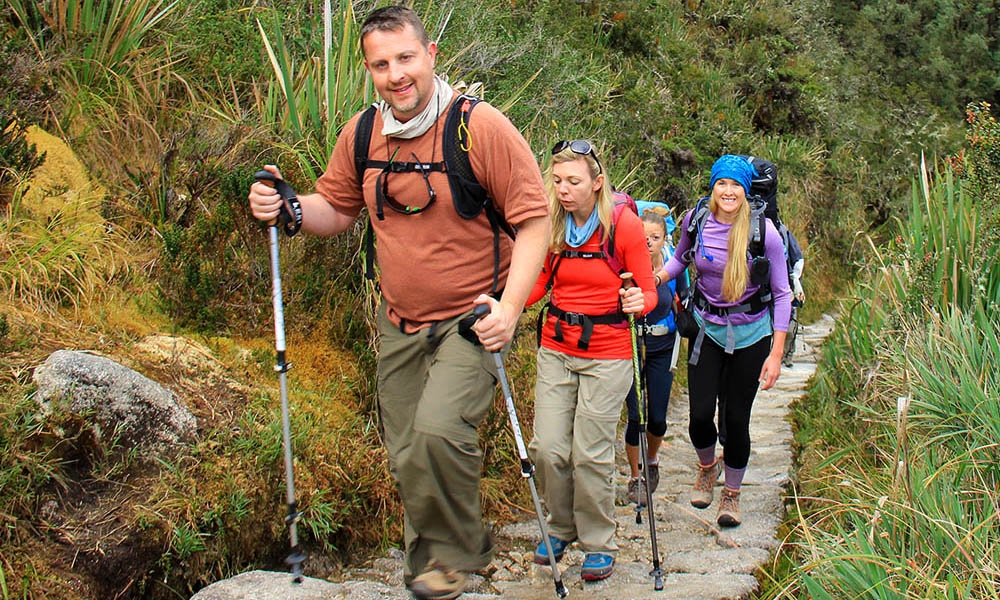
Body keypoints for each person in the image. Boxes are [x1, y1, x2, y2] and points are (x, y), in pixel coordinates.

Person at [247, 7, 550, 599]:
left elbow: (533, 223)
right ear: (369, 71)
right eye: (381, 65)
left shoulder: (480, 128)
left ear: (430, 54)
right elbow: (335, 209)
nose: (396, 75)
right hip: (399, 321)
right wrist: (287, 208)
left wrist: (509, 310)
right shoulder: (363, 134)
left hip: (473, 319)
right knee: (408, 448)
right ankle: (428, 566)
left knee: (439, 431)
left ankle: (460, 552)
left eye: (405, 58)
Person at [525, 140, 657, 582]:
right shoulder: (551, 224)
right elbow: (538, 281)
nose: (563, 189)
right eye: (557, 180)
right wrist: (503, 306)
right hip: (557, 345)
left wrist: (640, 298)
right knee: (548, 447)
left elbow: (647, 290)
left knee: (590, 452)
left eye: (573, 181)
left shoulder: (625, 225)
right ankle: (561, 527)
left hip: (608, 351)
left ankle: (599, 541)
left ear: (597, 183)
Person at [654, 154, 791, 528]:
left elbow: (782, 294)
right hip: (706, 327)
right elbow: (681, 260)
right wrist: (654, 279)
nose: (728, 191)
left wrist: (776, 354)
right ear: (713, 187)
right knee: (699, 415)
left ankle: (731, 494)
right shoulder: (696, 221)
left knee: (735, 418)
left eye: (736, 186)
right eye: (722, 184)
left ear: (745, 191)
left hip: (751, 334)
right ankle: (706, 467)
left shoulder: (766, 234)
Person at [624, 207, 687, 506]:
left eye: (655, 237)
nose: (648, 242)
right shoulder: (624, 267)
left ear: (665, 240)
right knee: (636, 415)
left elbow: (684, 302)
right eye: (643, 236)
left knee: (658, 419)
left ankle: (652, 460)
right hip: (631, 347)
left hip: (663, 345)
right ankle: (635, 477)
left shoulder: (674, 268)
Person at [780, 226, 805, 367]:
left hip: (787, 286)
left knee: (790, 325)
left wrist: (794, 282)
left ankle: (788, 355)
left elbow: (797, 260)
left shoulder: (784, 232)